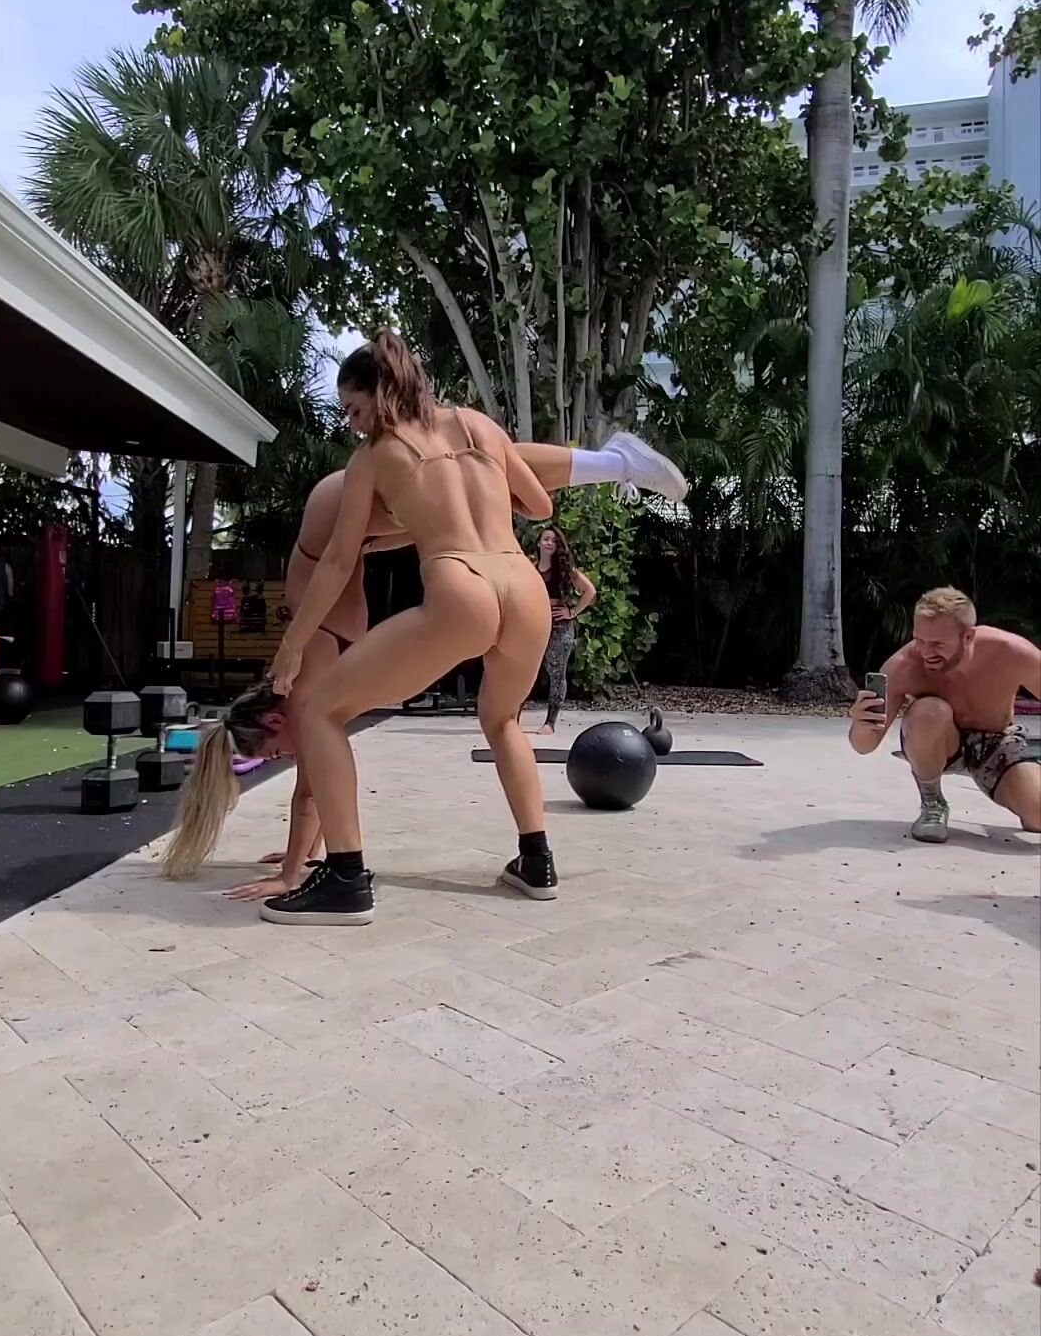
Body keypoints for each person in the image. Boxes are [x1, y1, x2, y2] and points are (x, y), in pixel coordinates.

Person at [163, 332, 687, 914]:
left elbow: (338, 562)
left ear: (380, 395)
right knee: (502, 722)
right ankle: (537, 861)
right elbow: (541, 506)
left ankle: (345, 880)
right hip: (525, 588)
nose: (353, 426)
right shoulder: (473, 423)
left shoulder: (368, 461)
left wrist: (291, 646)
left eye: (355, 410)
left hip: (463, 588)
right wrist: (485, 491)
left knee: (321, 712)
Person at [848, 586, 1041, 843]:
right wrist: (862, 725)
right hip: (939, 739)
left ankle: (1026, 799)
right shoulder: (902, 667)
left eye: (937, 644)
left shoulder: (1011, 652)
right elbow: (864, 746)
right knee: (929, 712)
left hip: (996, 741)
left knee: (1038, 814)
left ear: (968, 636)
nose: (926, 652)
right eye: (919, 640)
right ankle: (933, 803)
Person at [533, 527, 596, 734]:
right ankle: (513, 718)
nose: (549, 543)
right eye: (546, 539)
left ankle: (550, 722)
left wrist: (572, 612)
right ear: (539, 542)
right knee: (526, 671)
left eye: (554, 541)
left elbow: (589, 591)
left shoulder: (565, 569)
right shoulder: (531, 569)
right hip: (535, 625)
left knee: (557, 673)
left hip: (559, 627)